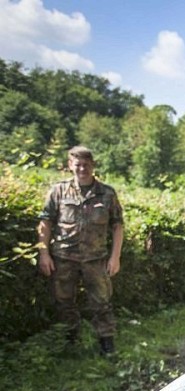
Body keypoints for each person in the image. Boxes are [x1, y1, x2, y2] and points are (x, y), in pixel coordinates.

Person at [37, 146, 124, 355]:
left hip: (95, 259)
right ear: (70, 166)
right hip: (63, 258)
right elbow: (45, 223)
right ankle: (70, 338)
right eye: (78, 165)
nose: (82, 169)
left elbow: (118, 226)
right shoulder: (58, 191)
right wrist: (43, 253)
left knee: (102, 302)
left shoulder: (107, 193)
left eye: (86, 165)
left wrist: (115, 257)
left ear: (93, 166)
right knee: (64, 301)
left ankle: (107, 342)